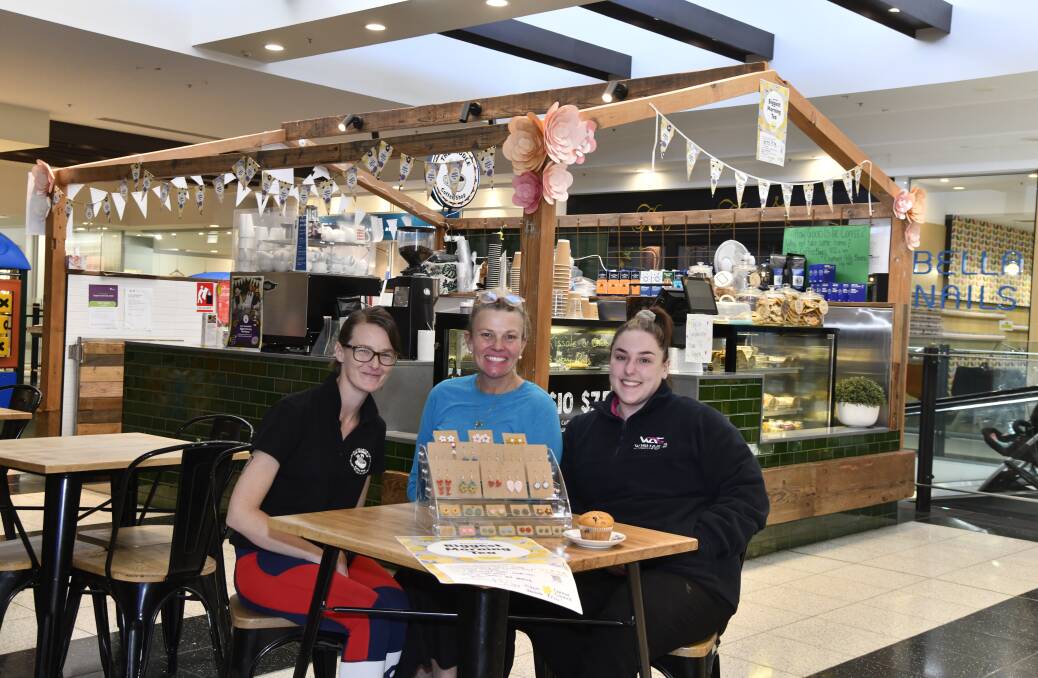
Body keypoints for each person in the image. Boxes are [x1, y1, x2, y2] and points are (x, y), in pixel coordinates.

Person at [523, 307, 770, 678]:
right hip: (604, 570)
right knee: (541, 609)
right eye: (621, 358)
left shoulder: (699, 423)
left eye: (644, 360)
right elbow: (564, 505)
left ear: (665, 367)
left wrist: (693, 541)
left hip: (690, 576)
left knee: (620, 629)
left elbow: (750, 498)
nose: (630, 370)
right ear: (610, 363)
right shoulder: (583, 432)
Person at [226, 307, 409, 678]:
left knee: (399, 605)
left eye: (385, 355)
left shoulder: (373, 429)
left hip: (330, 556)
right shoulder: (295, 413)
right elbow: (239, 514)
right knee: (368, 616)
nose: (374, 363)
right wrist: (315, 553)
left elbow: (350, 519)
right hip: (266, 560)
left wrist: (338, 552)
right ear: (339, 352)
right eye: (363, 351)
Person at [398, 288, 562, 678]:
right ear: (469, 340)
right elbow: (417, 485)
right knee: (411, 587)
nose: (497, 346)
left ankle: (446, 668)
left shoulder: (539, 407)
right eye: (487, 334)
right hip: (441, 547)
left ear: (524, 344)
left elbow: (544, 502)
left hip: (505, 560)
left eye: (510, 336)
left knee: (467, 600)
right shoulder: (443, 396)